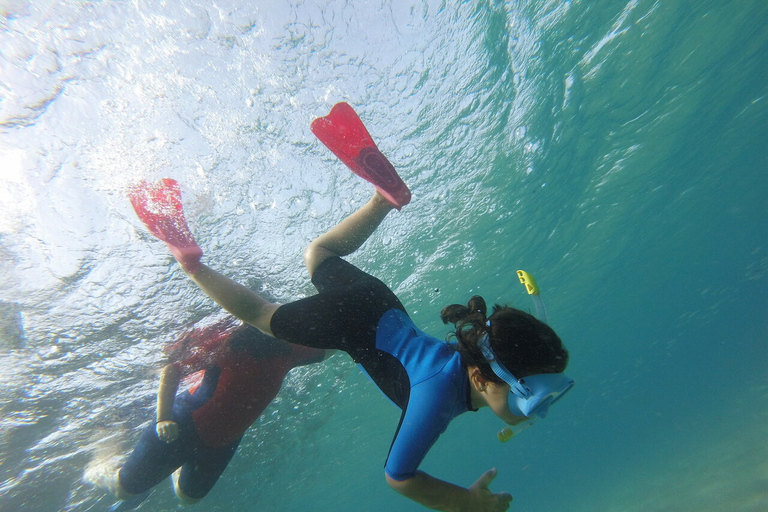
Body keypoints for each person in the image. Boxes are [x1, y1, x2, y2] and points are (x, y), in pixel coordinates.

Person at [128, 102, 572, 512]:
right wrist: (465, 504)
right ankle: (192, 265)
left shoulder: (473, 360)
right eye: (528, 397)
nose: (536, 409)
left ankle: (384, 200)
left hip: (379, 305)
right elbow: (399, 477)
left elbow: (500, 356)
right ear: (480, 376)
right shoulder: (436, 398)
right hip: (354, 323)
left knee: (318, 254)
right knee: (263, 316)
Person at [101, 317, 326, 509]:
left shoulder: (290, 351)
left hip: (223, 441)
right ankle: (97, 465)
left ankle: (170, 467)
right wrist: (163, 417)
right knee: (124, 490)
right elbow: (172, 370)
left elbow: (331, 348)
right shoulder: (226, 345)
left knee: (187, 498)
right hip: (184, 422)